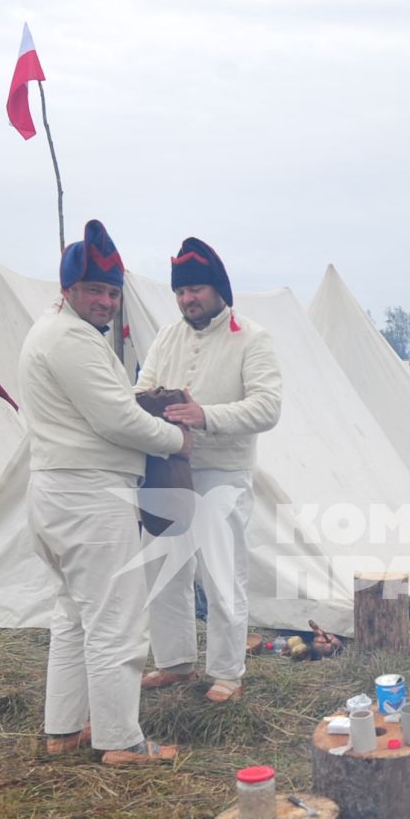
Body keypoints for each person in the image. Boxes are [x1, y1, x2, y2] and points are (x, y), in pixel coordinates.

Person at [18, 219, 184, 764]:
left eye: (112, 292)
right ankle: (122, 742)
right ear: (67, 290)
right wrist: (173, 436)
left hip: (61, 492)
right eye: (94, 290)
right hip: (88, 495)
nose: (106, 301)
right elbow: (118, 421)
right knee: (117, 623)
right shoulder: (71, 340)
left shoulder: (56, 333)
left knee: (73, 617)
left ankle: (64, 729)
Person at [137, 237, 282, 703]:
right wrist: (153, 403)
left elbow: (268, 407)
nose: (187, 299)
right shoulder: (167, 336)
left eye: (196, 289)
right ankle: (175, 663)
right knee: (163, 569)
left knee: (222, 573)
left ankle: (226, 672)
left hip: (223, 471)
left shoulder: (252, 338)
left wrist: (205, 416)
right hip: (168, 470)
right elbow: (142, 387)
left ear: (219, 289)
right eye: (181, 291)